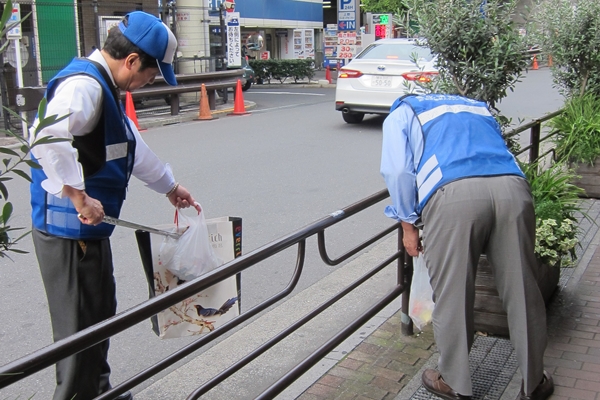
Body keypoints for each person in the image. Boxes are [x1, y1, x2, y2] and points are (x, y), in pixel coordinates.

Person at [29, 11, 200, 400]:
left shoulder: (106, 88)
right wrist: (77, 195)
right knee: (77, 332)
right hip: (68, 232)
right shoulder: (84, 87)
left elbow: (129, 146)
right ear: (132, 61)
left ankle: (99, 391)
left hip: (90, 229)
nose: (147, 83)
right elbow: (44, 138)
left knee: (98, 316)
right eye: (151, 75)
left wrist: (170, 187)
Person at [380, 93, 554, 400]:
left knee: (454, 293)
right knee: (523, 289)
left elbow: (398, 171)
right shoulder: (475, 106)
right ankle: (534, 382)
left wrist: (408, 224)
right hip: (512, 189)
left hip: (453, 195)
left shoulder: (403, 111)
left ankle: (455, 383)